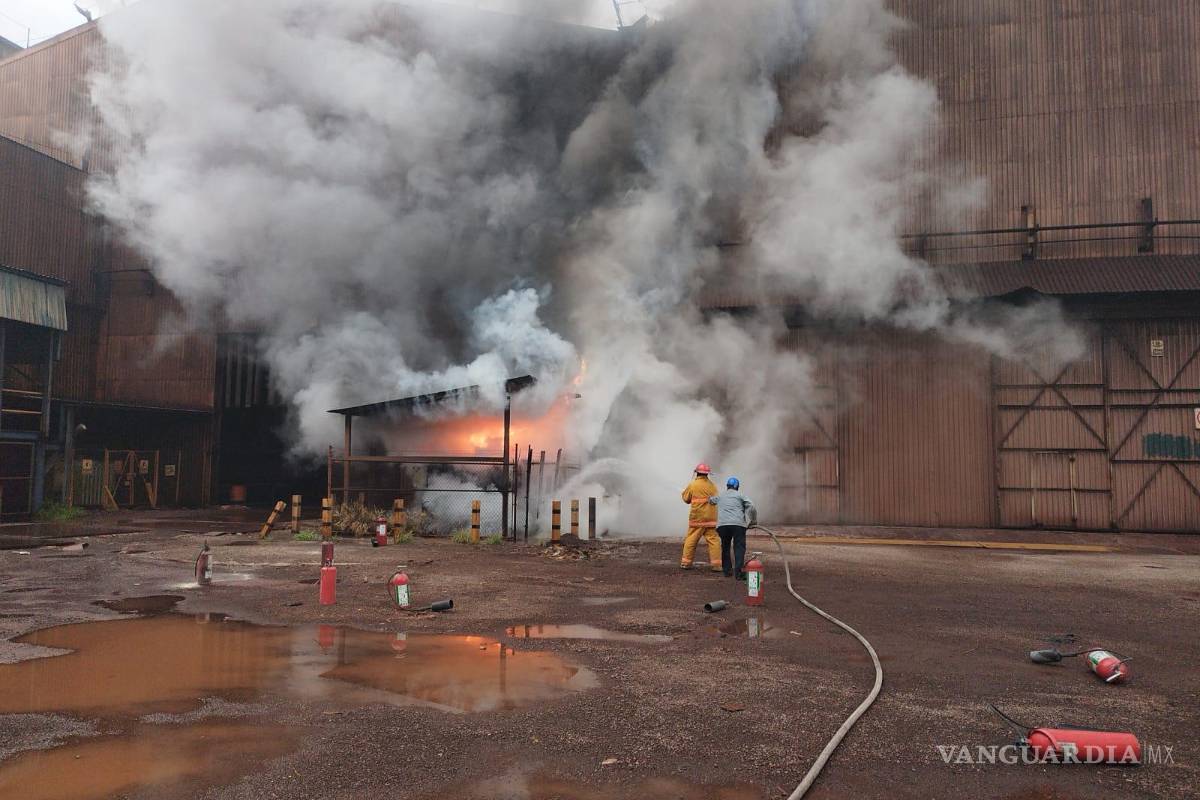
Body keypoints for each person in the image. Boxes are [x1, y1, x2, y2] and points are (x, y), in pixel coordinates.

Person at [680, 463, 722, 572]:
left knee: (691, 540)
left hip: (697, 518)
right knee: (714, 541)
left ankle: (686, 563)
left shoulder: (693, 485)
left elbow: (686, 499)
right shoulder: (712, 485)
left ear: (697, 473)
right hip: (711, 519)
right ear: (707, 474)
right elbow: (717, 499)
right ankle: (717, 565)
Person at [714, 476, 757, 580]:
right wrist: (753, 521)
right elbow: (751, 506)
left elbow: (711, 500)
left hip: (722, 526)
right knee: (739, 547)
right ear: (737, 486)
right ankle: (738, 573)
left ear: (727, 486)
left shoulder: (720, 496)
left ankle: (727, 571)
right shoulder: (740, 495)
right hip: (738, 525)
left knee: (725, 547)